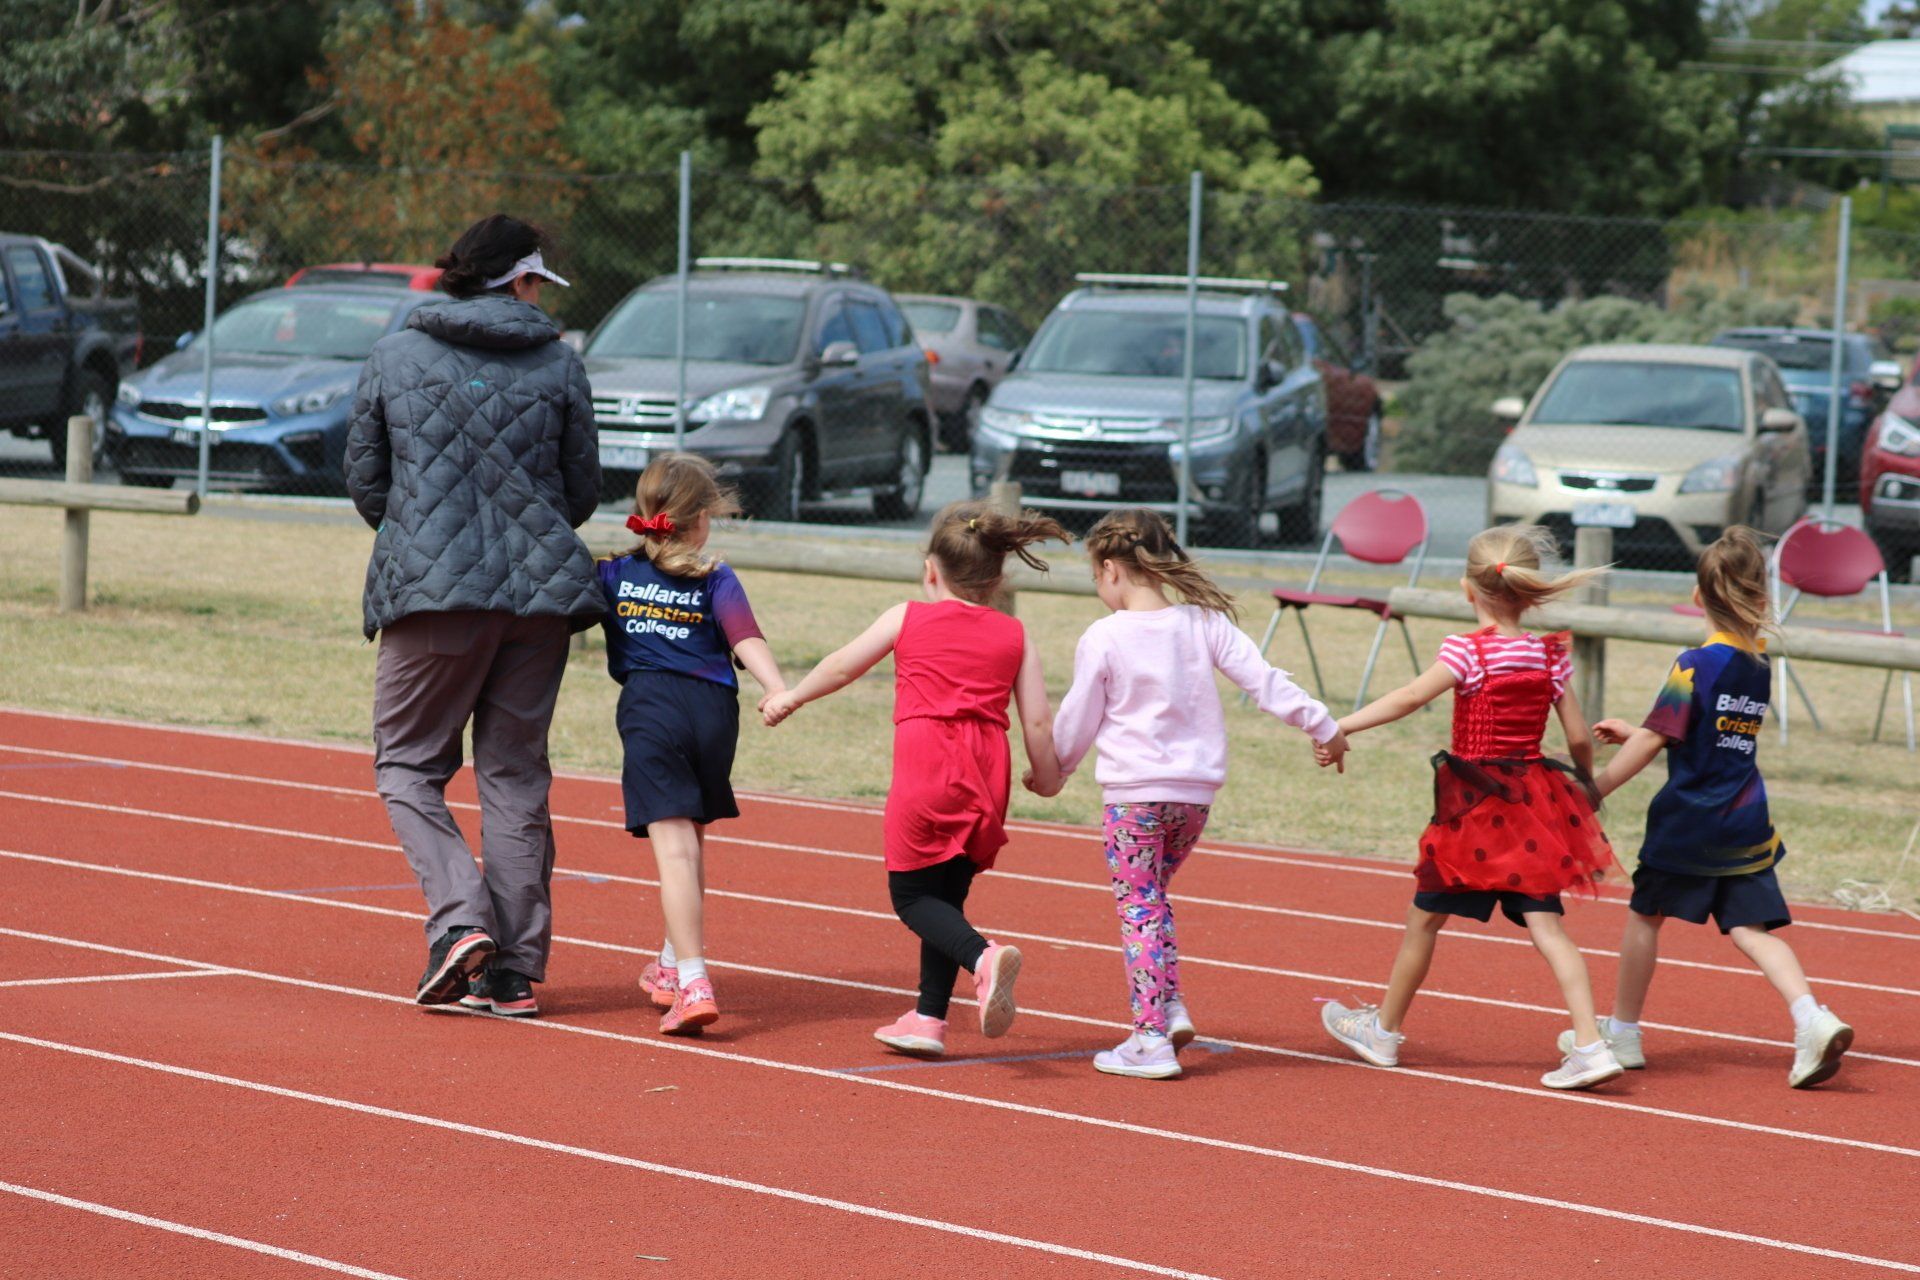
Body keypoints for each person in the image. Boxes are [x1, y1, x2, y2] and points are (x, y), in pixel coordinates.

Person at [346, 213, 602, 1016]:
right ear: (515, 280)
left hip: (435, 592)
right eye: (535, 279)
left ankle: (461, 923)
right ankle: (513, 972)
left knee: (408, 765)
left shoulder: (393, 354)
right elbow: (582, 491)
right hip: (539, 598)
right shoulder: (560, 364)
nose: (539, 295)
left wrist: (426, 526)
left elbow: (368, 484)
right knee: (516, 776)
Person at [1316, 525, 1623, 1090]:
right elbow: (1579, 736)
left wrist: (1340, 725)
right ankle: (1590, 1043)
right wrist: (1585, 783)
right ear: (1529, 593)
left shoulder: (1466, 650)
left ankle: (1383, 1031)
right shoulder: (1548, 654)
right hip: (1533, 807)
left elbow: (1410, 697)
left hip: (1475, 809)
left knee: (1425, 920)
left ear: (1467, 589)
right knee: (1548, 927)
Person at [1047, 509, 1346, 1080]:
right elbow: (1264, 679)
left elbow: (1077, 715)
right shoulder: (1202, 622)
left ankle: (1150, 1037)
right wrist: (1322, 724)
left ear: (1110, 568)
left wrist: (1056, 769)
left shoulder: (1105, 636)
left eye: (1095, 577)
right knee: (1153, 898)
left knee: (1138, 907)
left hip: (1133, 797)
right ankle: (1170, 1005)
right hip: (1193, 801)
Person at [761, 500, 1068, 1057]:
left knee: (910, 896)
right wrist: (1046, 777)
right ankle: (928, 1019)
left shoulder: (907, 615)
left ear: (931, 571)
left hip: (929, 762)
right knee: (944, 892)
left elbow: (842, 665)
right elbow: (1039, 719)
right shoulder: (1014, 634)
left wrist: (791, 697)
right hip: (987, 768)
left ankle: (982, 957)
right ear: (998, 578)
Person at [1575, 527, 1852, 1087]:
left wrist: (1595, 788)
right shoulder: (1758, 665)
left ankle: (1623, 1032)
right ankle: (1811, 1017)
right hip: (1745, 816)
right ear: (1758, 598)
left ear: (1699, 597)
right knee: (1751, 928)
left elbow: (1658, 740)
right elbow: (1710, 732)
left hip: (1690, 817)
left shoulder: (1694, 663)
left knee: (1645, 914)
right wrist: (1639, 727)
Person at [596, 454, 787, 1035]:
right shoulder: (716, 577)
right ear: (701, 519)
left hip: (653, 709)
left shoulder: (611, 573)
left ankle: (694, 979)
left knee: (675, 850)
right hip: (712, 714)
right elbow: (745, 637)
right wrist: (776, 688)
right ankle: (669, 963)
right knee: (691, 842)